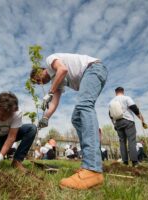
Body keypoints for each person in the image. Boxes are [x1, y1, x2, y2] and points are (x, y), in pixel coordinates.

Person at [31, 53, 108, 190]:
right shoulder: (58, 81)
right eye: (37, 83)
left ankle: (92, 168)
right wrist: (45, 118)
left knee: (84, 106)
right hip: (92, 73)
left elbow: (63, 70)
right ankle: (89, 163)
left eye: (37, 80)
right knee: (77, 118)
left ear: (39, 70)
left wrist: (49, 92)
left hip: (93, 69)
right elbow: (54, 103)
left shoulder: (50, 61)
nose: (39, 83)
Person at [0, 92, 36, 172]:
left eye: (8, 115)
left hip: (9, 135)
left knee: (31, 129)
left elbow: (11, 137)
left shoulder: (17, 113)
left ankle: (17, 161)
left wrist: (1, 156)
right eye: (1, 115)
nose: (4, 118)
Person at [109, 87, 148, 167]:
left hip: (118, 123)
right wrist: (142, 119)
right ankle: (134, 162)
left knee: (122, 142)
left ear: (115, 92)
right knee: (131, 141)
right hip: (128, 121)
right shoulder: (126, 98)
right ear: (123, 91)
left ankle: (125, 162)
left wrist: (114, 124)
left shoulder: (111, 102)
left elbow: (110, 115)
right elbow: (134, 108)